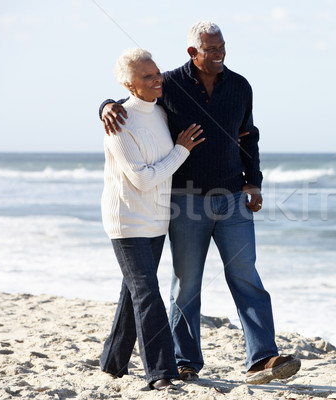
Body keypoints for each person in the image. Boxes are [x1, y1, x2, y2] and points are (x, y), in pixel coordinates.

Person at [100, 21, 301, 385]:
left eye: (222, 45)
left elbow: (248, 136)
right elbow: (136, 99)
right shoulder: (169, 84)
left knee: (246, 277)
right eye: (211, 48)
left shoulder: (240, 86)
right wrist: (105, 105)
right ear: (193, 52)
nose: (220, 53)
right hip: (185, 203)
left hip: (233, 200)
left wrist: (253, 181)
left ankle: (262, 358)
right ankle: (185, 360)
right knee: (187, 284)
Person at [100, 48, 204, 390]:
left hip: (156, 220)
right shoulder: (119, 122)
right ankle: (161, 371)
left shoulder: (161, 112)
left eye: (157, 72)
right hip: (127, 219)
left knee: (134, 292)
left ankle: (112, 362)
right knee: (147, 291)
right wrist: (181, 150)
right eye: (147, 76)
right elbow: (142, 178)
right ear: (130, 85)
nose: (157, 78)